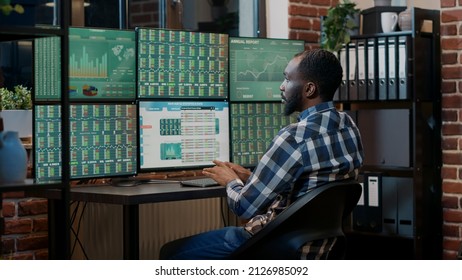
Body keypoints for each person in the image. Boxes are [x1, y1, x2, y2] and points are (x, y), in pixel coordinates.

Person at [159, 49, 364, 260]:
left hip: (274, 246)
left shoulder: (294, 137)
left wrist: (231, 181)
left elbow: (244, 208)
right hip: (318, 249)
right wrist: (251, 178)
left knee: (170, 253)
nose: (282, 86)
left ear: (309, 89)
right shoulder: (349, 126)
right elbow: (312, 186)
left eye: (287, 79)